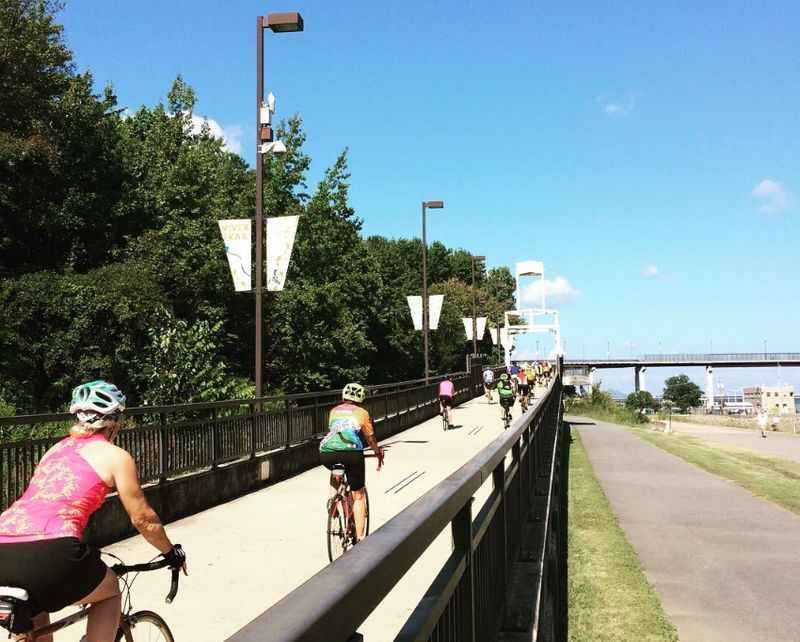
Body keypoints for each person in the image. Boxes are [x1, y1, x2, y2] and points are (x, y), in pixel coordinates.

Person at [0, 380, 186, 642]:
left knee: (35, 609)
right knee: (109, 589)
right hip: (51, 551)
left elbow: (46, 506)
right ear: (114, 422)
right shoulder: (115, 456)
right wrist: (171, 552)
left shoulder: (54, 451)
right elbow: (143, 518)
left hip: (3, 547)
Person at [319, 383, 384, 542]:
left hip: (326, 452)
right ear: (361, 398)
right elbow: (369, 437)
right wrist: (377, 452)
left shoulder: (334, 411)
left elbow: (336, 432)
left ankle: (334, 501)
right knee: (358, 495)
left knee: (336, 469)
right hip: (352, 453)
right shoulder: (362, 413)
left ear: (343, 397)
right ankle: (361, 539)